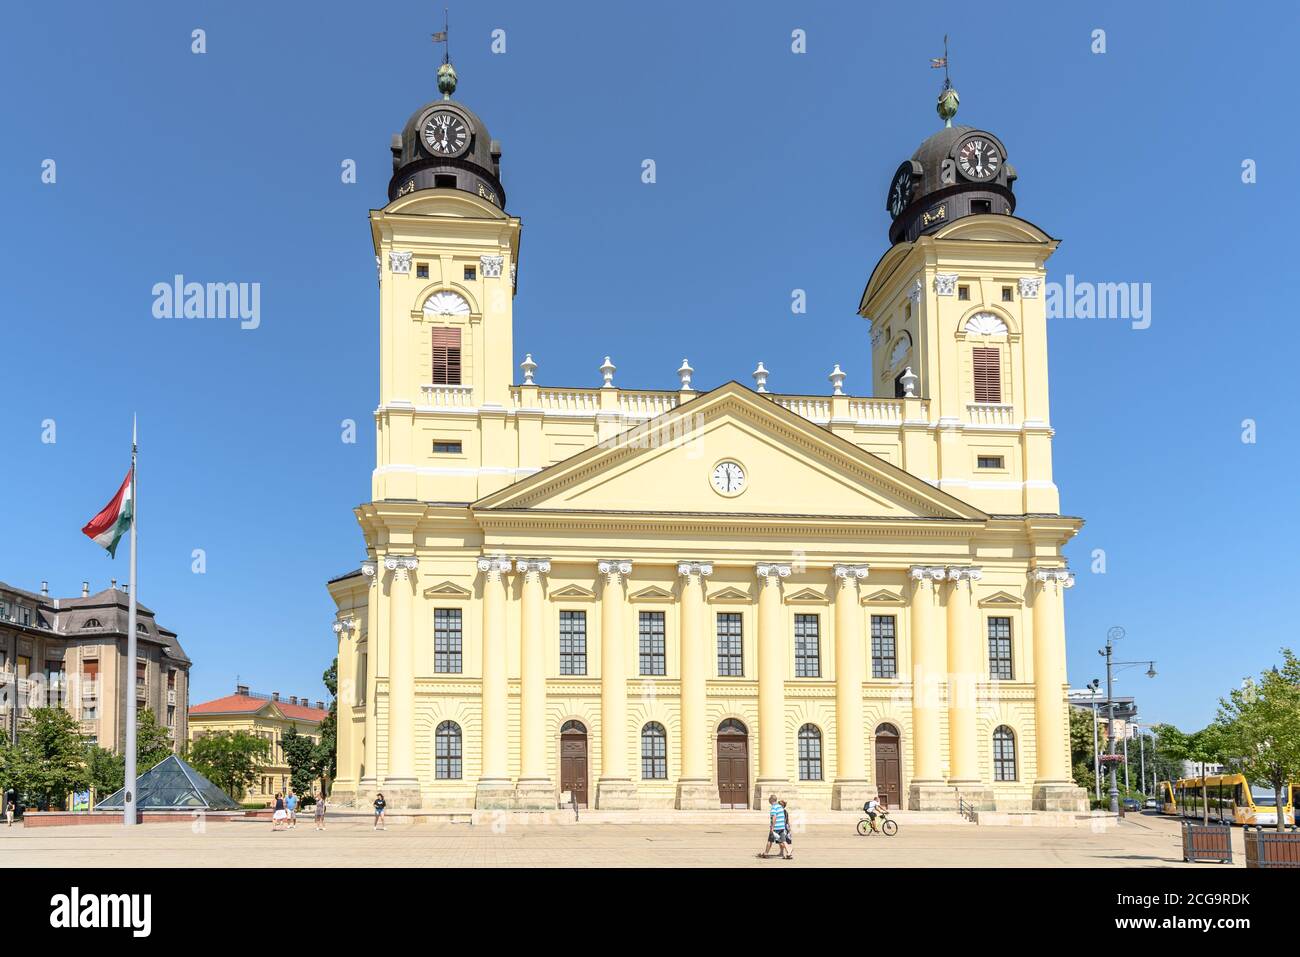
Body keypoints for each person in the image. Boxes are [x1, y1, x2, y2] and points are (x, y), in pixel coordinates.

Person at [762, 794, 792, 860]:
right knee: (784, 841)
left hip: (776, 827)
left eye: (769, 799)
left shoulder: (774, 807)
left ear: (771, 800)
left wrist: (772, 827)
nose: (768, 800)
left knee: (770, 840)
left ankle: (766, 853)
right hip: (782, 827)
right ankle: (789, 852)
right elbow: (783, 817)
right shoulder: (780, 807)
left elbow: (774, 817)